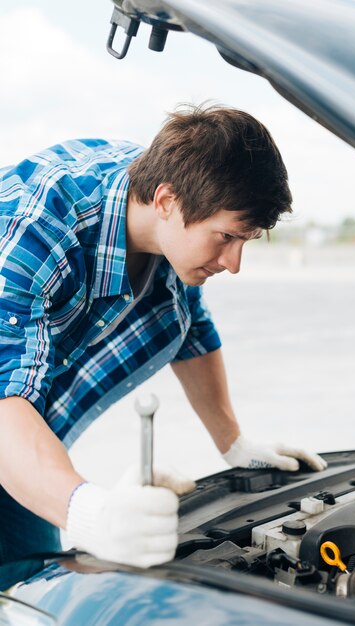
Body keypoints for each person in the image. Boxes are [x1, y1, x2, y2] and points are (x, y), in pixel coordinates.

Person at [0, 104, 326, 571]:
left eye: (246, 241)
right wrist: (95, 517)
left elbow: (192, 328)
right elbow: (3, 402)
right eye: (226, 237)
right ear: (168, 201)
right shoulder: (34, 230)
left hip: (20, 433)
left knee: (32, 574)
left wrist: (232, 442)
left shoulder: (164, 200)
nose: (234, 264)